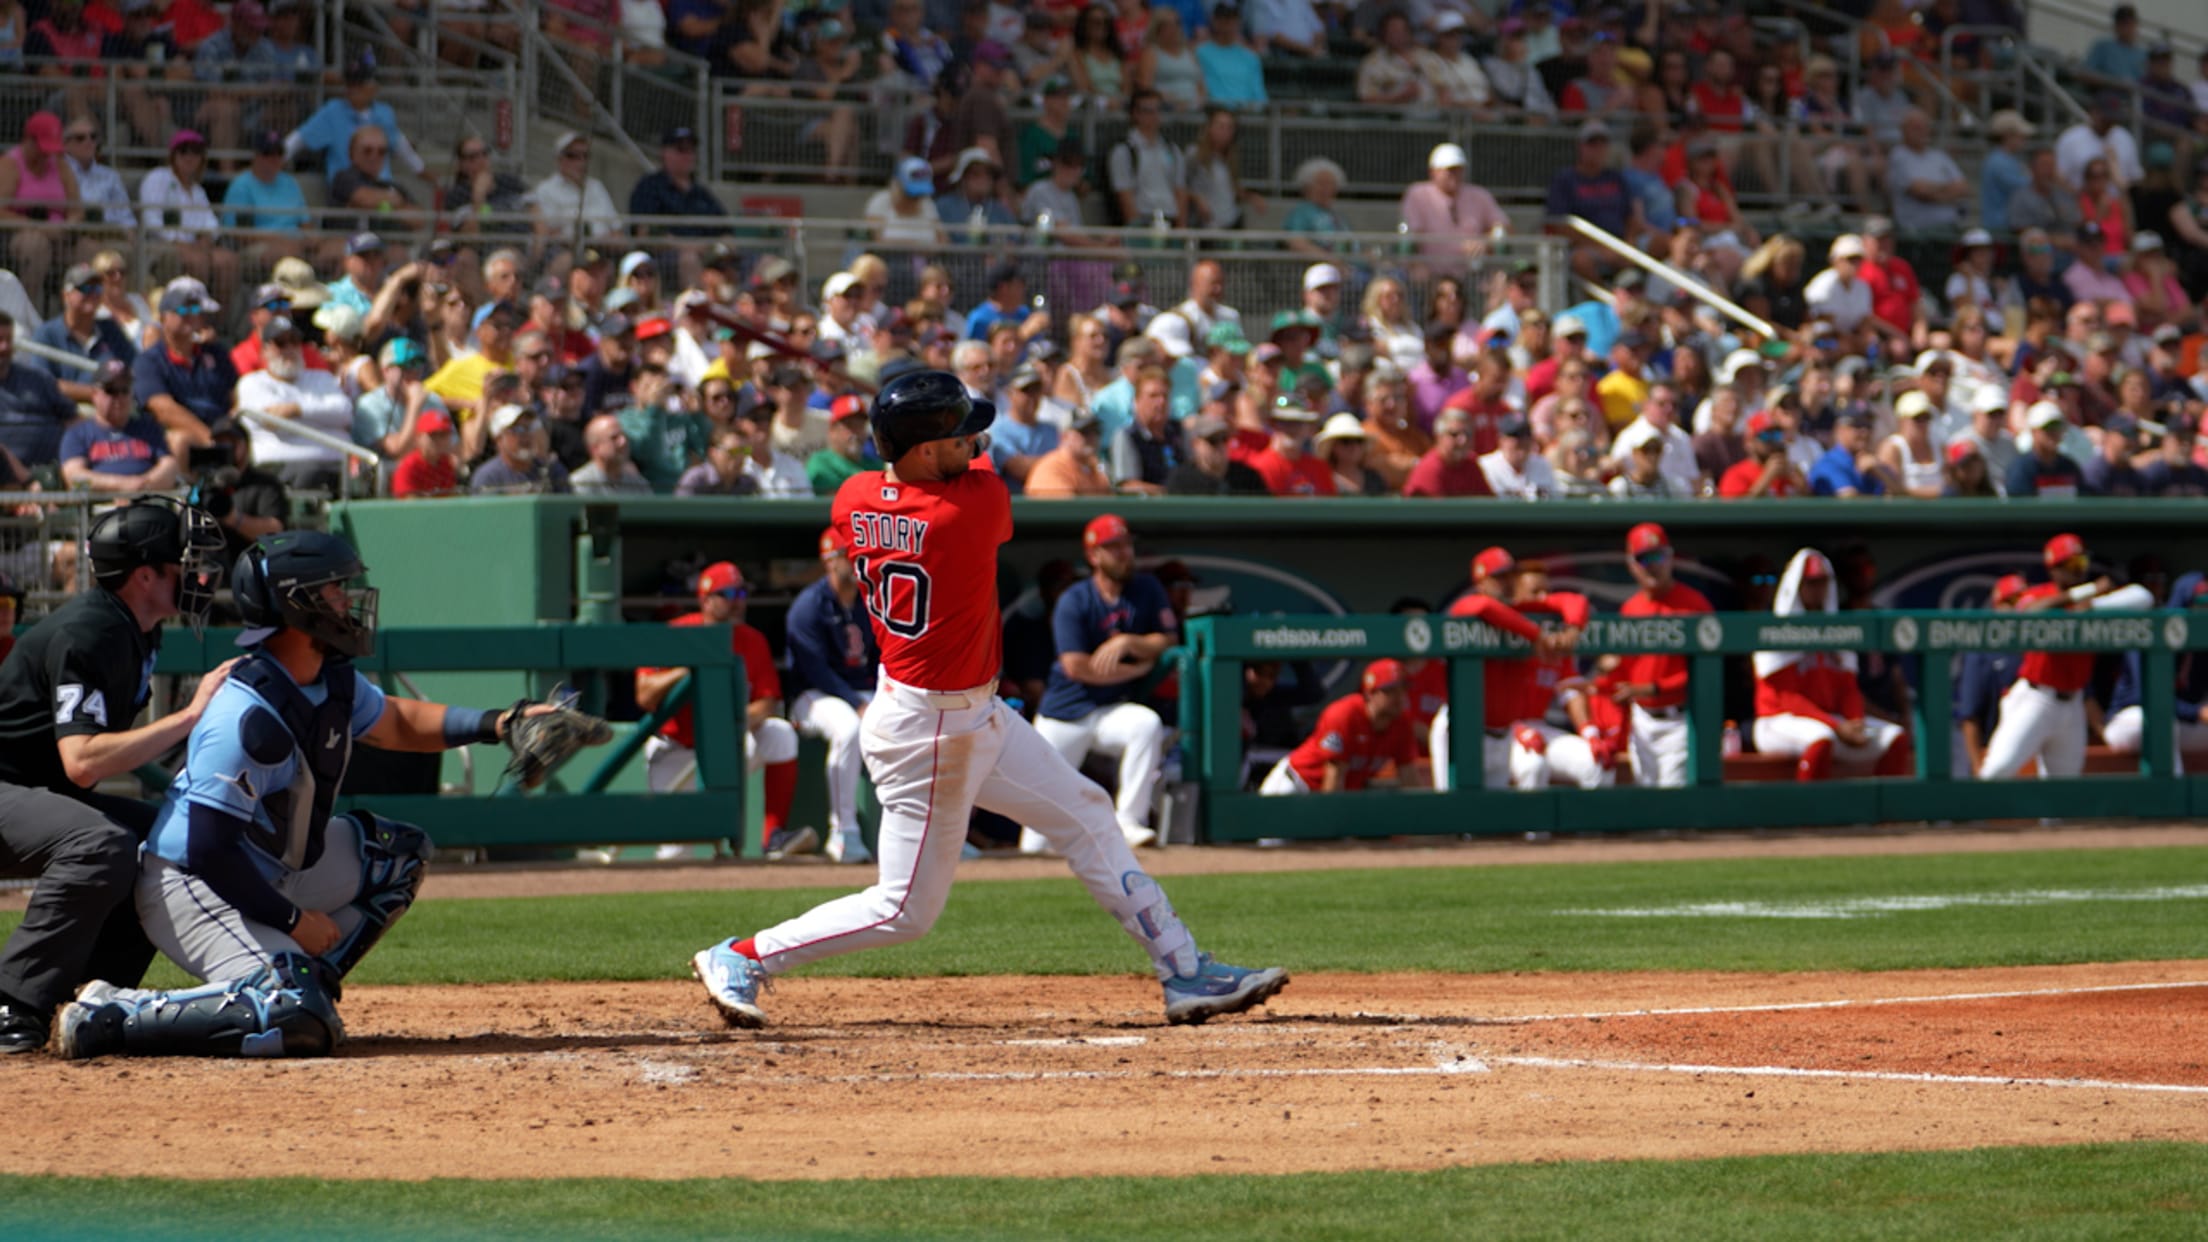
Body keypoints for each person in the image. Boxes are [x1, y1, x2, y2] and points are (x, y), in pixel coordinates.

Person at [690, 371, 1287, 1029]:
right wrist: (935, 432)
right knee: (903, 911)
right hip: (932, 729)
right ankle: (741, 955)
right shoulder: (969, 509)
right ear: (920, 450)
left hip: (971, 713)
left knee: (1087, 812)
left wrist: (924, 428)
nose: (972, 438)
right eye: (956, 433)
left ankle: (1184, 970)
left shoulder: (854, 497)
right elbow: (969, 470)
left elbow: (907, 473)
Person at [53, 531, 581, 1060]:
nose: (347, 601)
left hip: (268, 866)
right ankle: (113, 1014)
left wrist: (501, 722)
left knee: (396, 855)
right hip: (192, 885)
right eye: (332, 589)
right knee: (293, 1012)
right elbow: (210, 848)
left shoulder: (328, 680)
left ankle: (301, 992)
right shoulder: (245, 714)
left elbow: (396, 721)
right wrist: (292, 921)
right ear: (294, 604)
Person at [0, 498, 227, 1052]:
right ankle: (11, 1000)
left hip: (31, 792)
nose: (196, 575)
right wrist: (189, 717)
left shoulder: (134, 628)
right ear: (144, 575)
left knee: (165, 838)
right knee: (99, 843)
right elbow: (82, 763)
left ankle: (91, 997)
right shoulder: (91, 631)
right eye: (181, 564)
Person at [1020, 514, 1176, 857]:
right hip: (1064, 715)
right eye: (1113, 547)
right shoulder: (1074, 600)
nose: (1124, 553)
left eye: (1126, 545)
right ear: (1094, 556)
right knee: (1037, 827)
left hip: (1109, 710)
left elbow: (1167, 639)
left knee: (1145, 725)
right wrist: (1138, 670)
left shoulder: (1146, 589)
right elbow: (1076, 667)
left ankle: (1129, 821)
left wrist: (1129, 643)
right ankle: (1027, 865)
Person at [636, 561, 809, 861]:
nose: (737, 602)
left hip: (725, 751)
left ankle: (773, 838)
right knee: (675, 856)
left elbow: (768, 701)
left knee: (779, 733)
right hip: (675, 753)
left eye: (741, 594)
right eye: (727, 594)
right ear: (705, 600)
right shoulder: (675, 633)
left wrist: (735, 723)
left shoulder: (752, 640)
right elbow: (645, 695)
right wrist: (685, 671)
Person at [1428, 548, 1610, 793]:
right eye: (1498, 577)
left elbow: (1575, 601)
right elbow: (1482, 606)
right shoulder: (1472, 607)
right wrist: (1537, 636)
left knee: (1493, 820)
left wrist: (1573, 630)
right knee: (1450, 810)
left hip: (1502, 732)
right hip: (1462, 725)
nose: (1505, 583)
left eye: (1509, 576)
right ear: (1481, 581)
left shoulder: (1526, 614)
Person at [1978, 534, 2155, 781]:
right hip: (2037, 697)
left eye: (2081, 563)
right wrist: (2084, 592)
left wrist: (2094, 604)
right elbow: (2028, 611)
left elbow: (2144, 598)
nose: (2079, 571)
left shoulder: (2094, 602)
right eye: (2072, 565)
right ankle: (1972, 817)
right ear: (2054, 568)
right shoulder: (2040, 594)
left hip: (2073, 703)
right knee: (1997, 770)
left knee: (2062, 793)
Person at [1751, 549, 1909, 782]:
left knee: (1895, 737)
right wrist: (1836, 726)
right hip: (1777, 721)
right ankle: (1810, 813)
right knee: (1821, 738)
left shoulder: (1837, 628)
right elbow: (1788, 699)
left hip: (1829, 720)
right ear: (1796, 585)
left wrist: (1855, 720)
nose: (1818, 589)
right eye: (1811, 582)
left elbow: (1848, 687)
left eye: (1823, 582)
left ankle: (1883, 814)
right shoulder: (1778, 627)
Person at [784, 529, 879, 865]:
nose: (855, 560)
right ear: (830, 559)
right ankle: (843, 832)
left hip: (861, 690)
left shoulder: (869, 600)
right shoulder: (808, 607)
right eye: (847, 553)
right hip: (813, 696)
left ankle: (937, 834)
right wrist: (859, 703)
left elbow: (884, 654)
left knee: (917, 723)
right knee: (848, 729)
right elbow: (815, 671)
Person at [1613, 523, 1712, 789]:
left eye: (1658, 556)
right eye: (1644, 558)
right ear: (1631, 564)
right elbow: (1622, 671)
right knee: (1645, 807)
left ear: (1670, 557)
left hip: (1681, 720)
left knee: (1672, 804)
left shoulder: (1695, 604)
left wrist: (1653, 688)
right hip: (1642, 721)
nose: (1652, 566)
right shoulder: (1630, 608)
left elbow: (1704, 673)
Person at [1259, 659, 1422, 794]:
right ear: (1370, 693)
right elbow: (1333, 778)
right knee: (1269, 833)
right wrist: (1331, 828)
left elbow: (1410, 777)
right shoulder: (1344, 714)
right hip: (1296, 786)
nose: (1400, 697)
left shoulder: (1402, 722)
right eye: (1390, 691)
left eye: (1403, 689)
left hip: (1331, 795)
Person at [235, 317, 353, 493]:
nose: (289, 349)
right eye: (281, 343)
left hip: (339, 467)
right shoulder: (253, 383)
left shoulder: (322, 378)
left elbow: (344, 412)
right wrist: (323, 416)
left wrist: (296, 409)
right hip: (281, 471)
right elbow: (272, 421)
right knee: (312, 473)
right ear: (265, 350)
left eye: (295, 342)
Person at [59, 360, 177, 494]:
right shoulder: (78, 434)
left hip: (147, 503)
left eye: (124, 390)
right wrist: (121, 486)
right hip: (101, 507)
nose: (119, 397)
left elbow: (170, 466)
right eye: (111, 391)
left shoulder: (148, 428)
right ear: (94, 394)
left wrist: (142, 486)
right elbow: (74, 479)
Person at [1400, 142, 1507, 268]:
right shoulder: (1417, 194)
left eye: (1459, 169)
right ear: (1433, 171)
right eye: (1449, 170)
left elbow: (1503, 227)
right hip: (1430, 272)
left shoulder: (1480, 195)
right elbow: (1411, 234)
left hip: (1473, 273)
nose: (1455, 175)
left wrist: (1485, 242)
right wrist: (1416, 266)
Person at [470, 403, 573, 494]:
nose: (525, 435)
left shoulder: (553, 471)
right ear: (499, 439)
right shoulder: (488, 477)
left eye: (529, 428)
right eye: (517, 429)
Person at [1401, 406, 1493, 497]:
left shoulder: (1471, 463)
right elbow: (1436, 510)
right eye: (1454, 434)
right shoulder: (1430, 468)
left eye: (1467, 434)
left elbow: (1489, 504)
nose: (1463, 440)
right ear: (1438, 437)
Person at [2006, 402, 2089, 498]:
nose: (2053, 433)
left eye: (2057, 427)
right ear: (2034, 432)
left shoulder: (2069, 467)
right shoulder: (2021, 469)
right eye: (2047, 428)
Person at [569, 412, 654, 495]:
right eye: (614, 438)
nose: (623, 442)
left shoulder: (638, 484)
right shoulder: (580, 485)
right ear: (595, 449)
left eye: (624, 435)